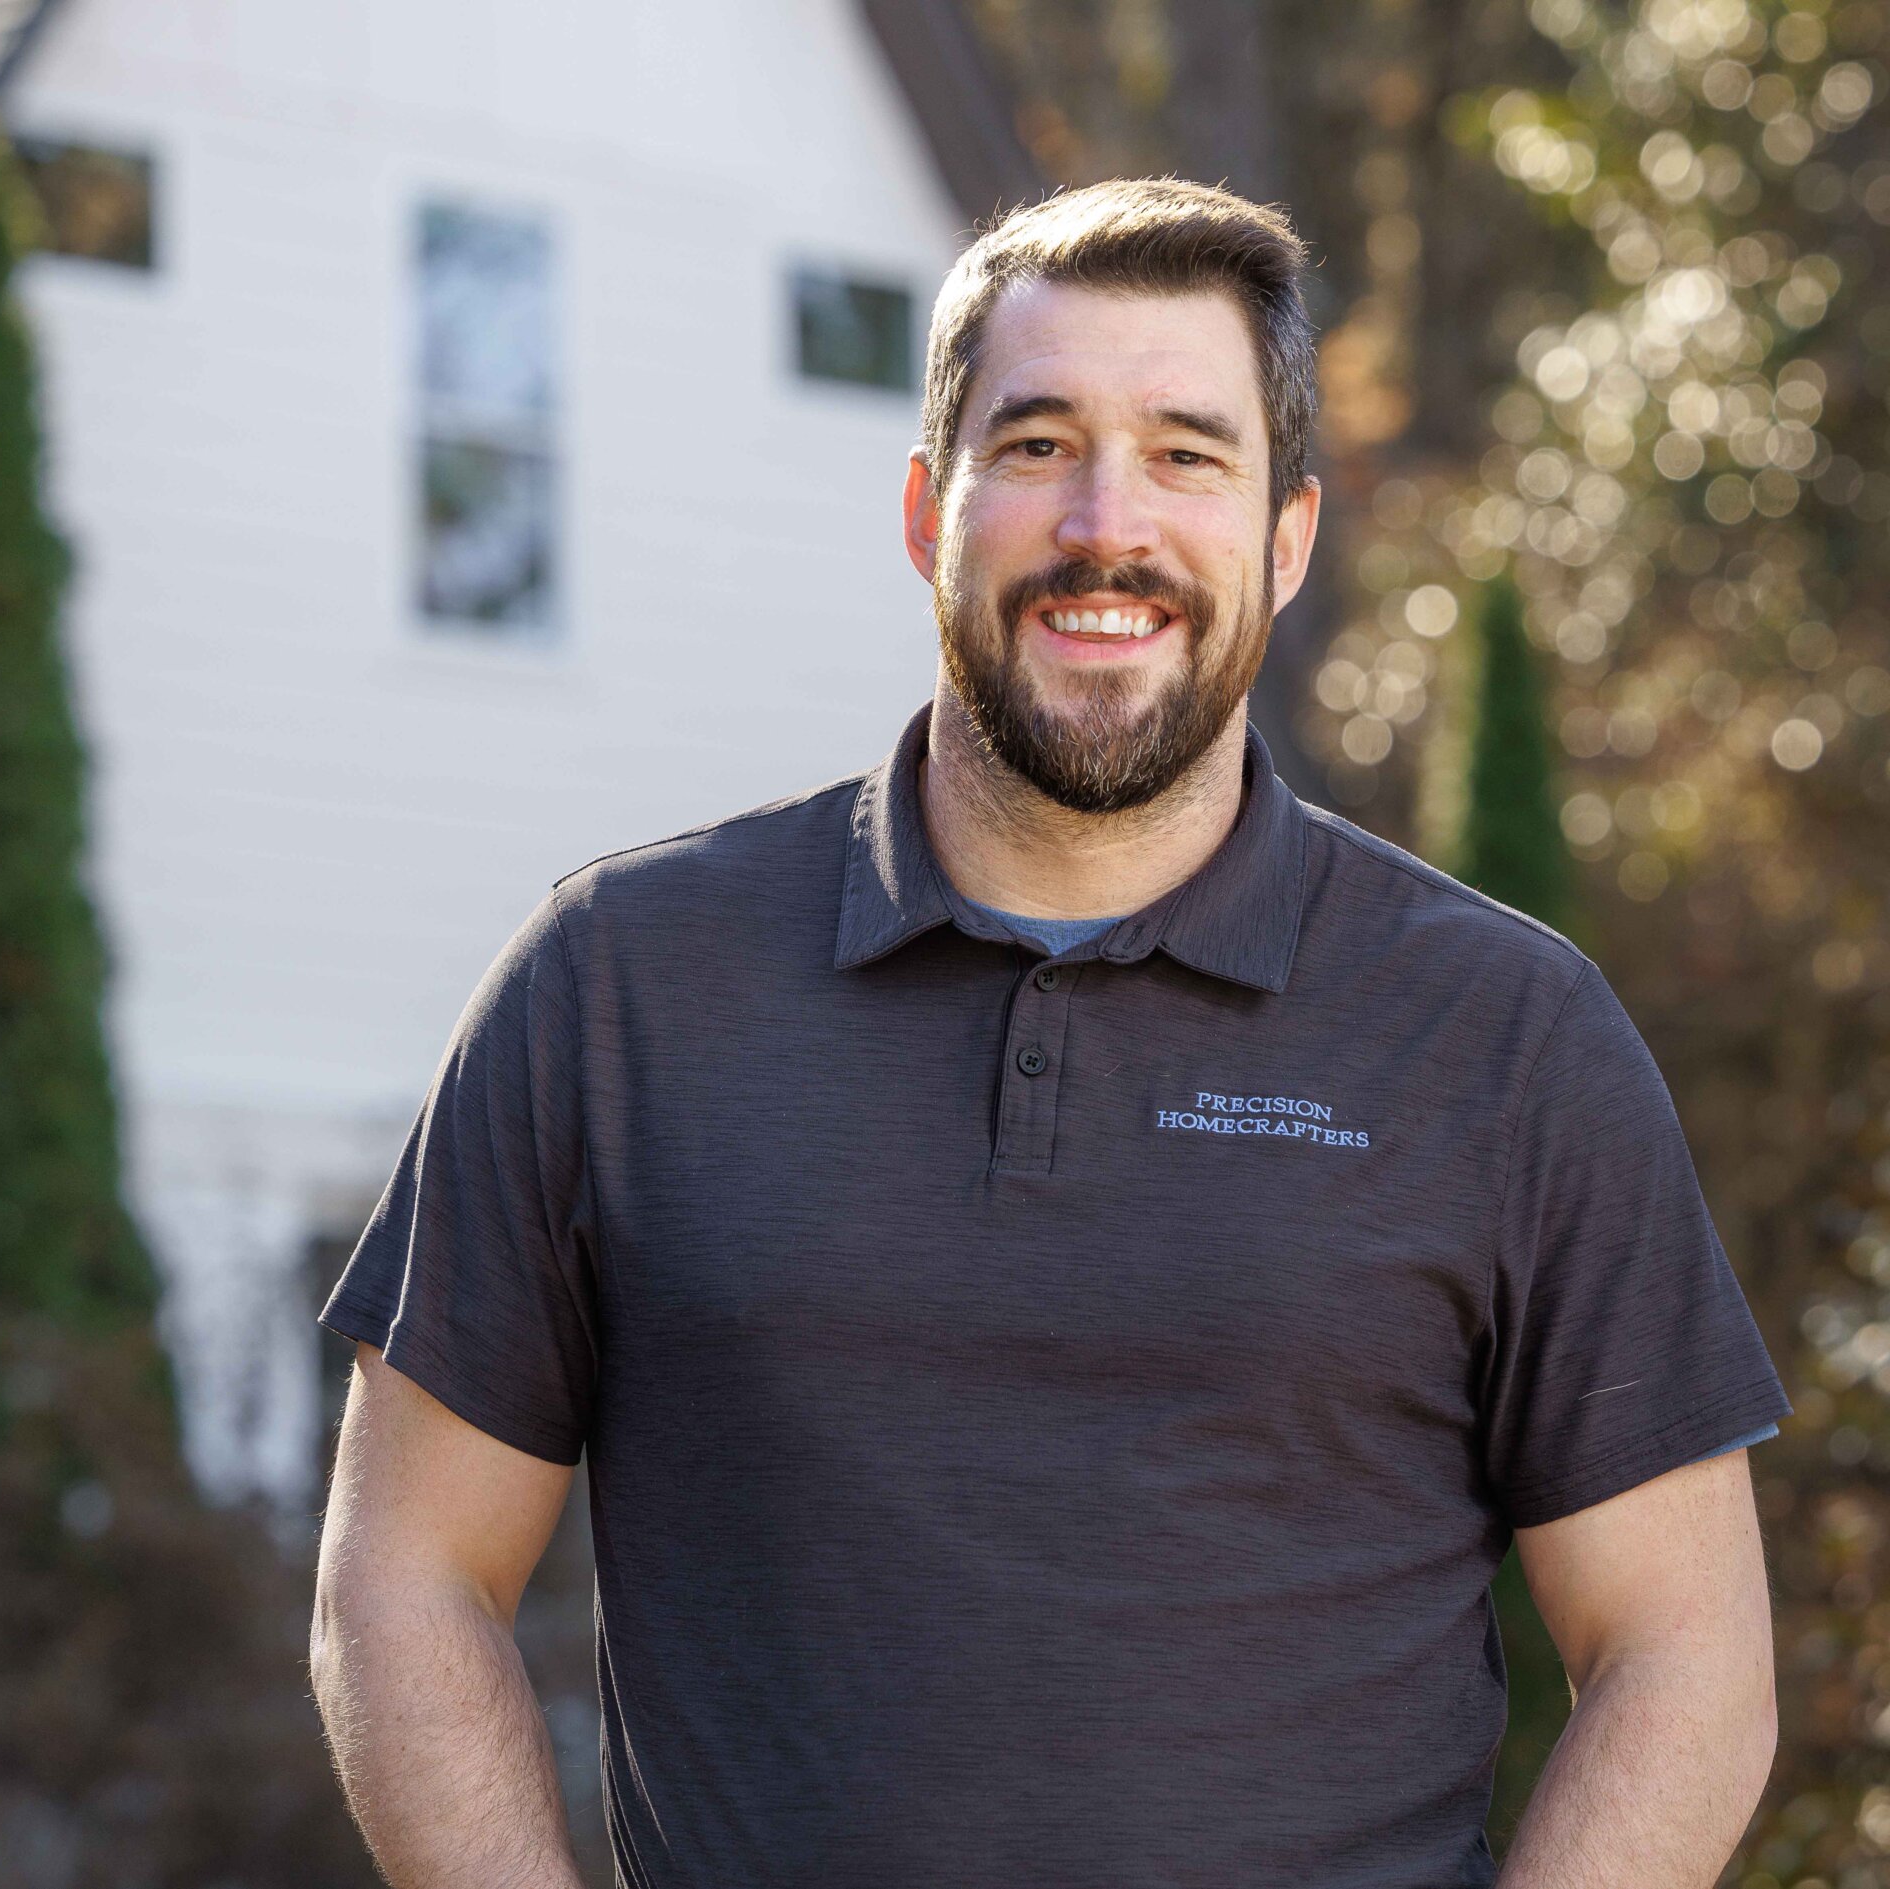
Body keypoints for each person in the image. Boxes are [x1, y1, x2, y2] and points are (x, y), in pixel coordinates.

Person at [310, 178, 1790, 1889]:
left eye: (1187, 452)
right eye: (1038, 446)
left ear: (1287, 536)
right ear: (932, 509)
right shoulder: (618, 985)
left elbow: (1686, 1656)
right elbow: (405, 1573)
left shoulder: (1505, 1034)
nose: (1110, 524)